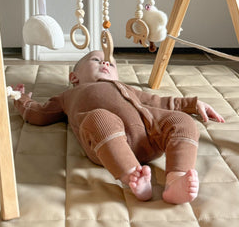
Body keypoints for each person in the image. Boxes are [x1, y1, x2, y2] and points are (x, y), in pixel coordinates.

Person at [14, 50, 224, 204]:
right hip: (107, 142)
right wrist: (20, 99)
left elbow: (159, 102)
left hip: (149, 133)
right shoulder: (68, 95)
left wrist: (192, 104)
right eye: (96, 60)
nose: (105, 62)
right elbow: (39, 114)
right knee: (99, 118)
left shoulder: (125, 88)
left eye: (111, 63)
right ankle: (133, 175)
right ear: (74, 77)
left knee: (181, 121)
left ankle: (175, 179)